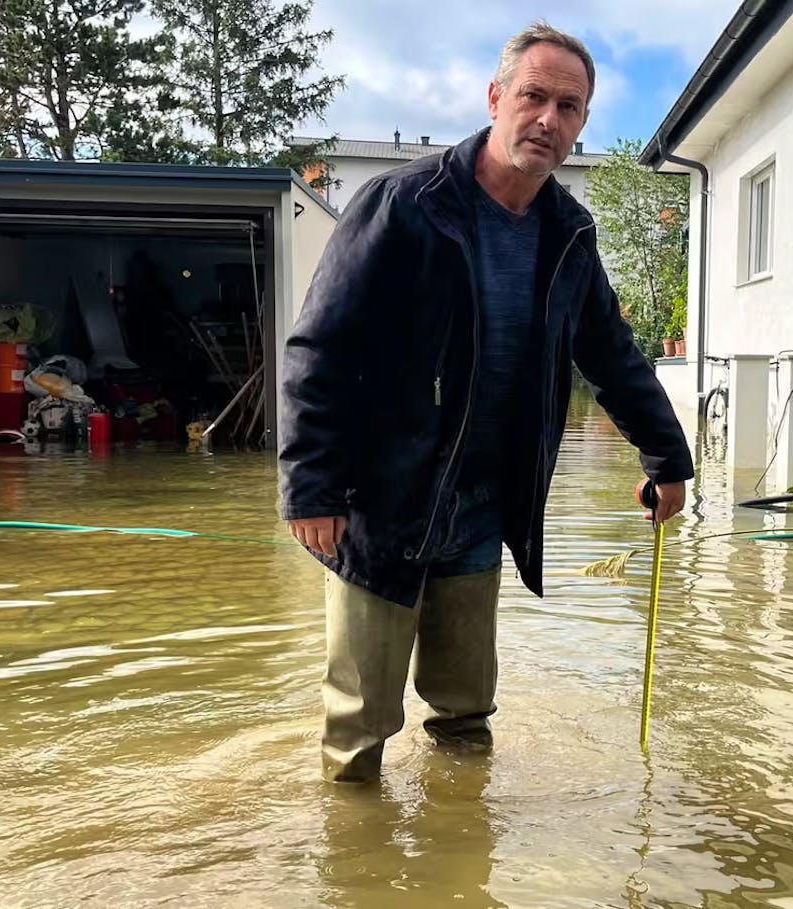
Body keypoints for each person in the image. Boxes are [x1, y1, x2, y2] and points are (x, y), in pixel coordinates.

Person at [278, 21, 694, 783]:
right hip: (381, 504)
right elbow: (320, 348)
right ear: (497, 97)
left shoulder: (568, 234)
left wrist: (667, 457)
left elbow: (610, 353)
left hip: (480, 509)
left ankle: (462, 862)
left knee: (466, 712)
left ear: (581, 126)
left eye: (569, 108)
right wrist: (311, 486)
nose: (549, 120)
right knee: (358, 727)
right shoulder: (403, 205)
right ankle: (355, 878)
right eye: (534, 96)